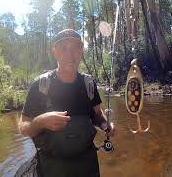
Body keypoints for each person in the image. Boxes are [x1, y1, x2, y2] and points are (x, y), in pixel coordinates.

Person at [18, 29, 115, 177]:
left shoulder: (89, 84)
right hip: (52, 166)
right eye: (64, 48)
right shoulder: (40, 85)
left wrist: (104, 125)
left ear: (81, 51)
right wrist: (40, 122)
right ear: (55, 52)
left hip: (86, 164)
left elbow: (97, 115)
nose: (70, 55)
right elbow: (24, 127)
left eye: (76, 48)